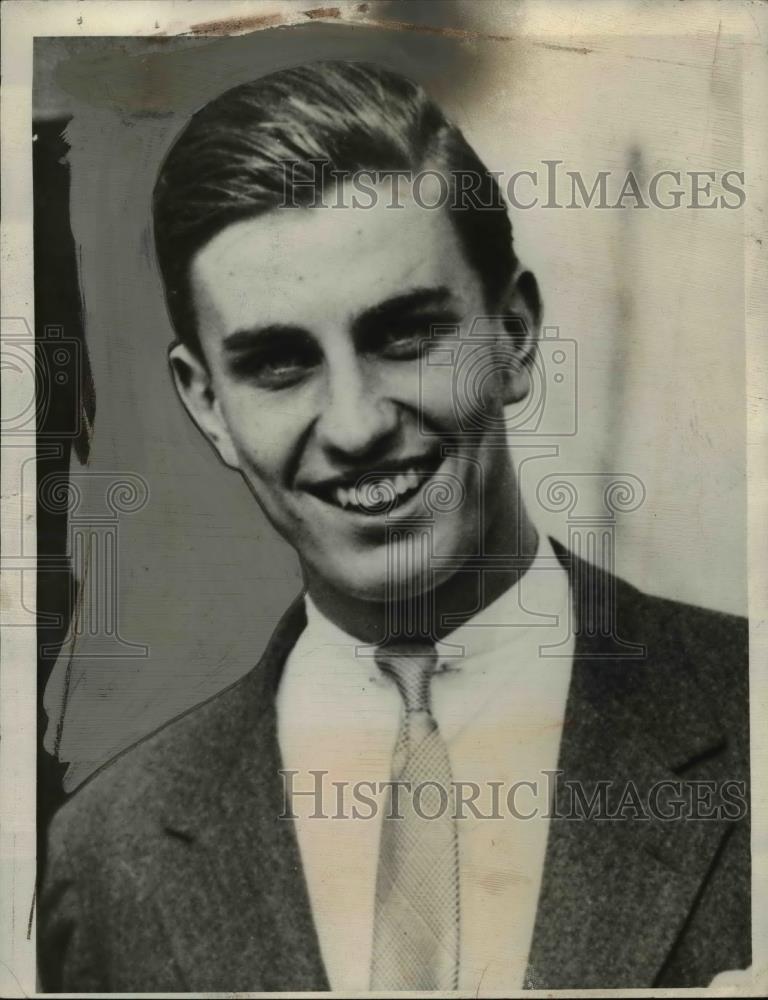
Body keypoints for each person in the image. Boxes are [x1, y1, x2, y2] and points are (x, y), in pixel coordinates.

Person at [39, 60, 750, 992]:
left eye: (405, 336)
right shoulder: (104, 854)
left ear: (517, 336)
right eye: (279, 364)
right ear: (208, 404)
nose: (356, 424)